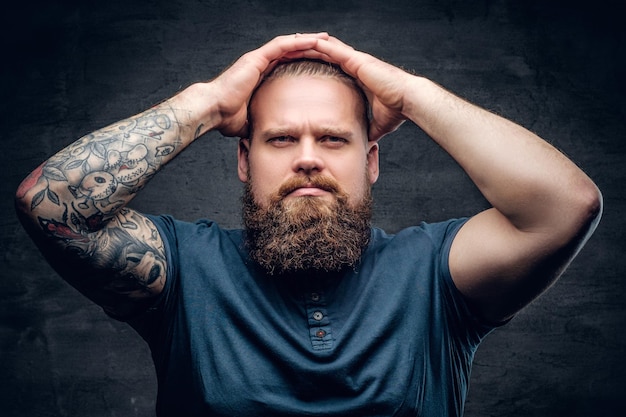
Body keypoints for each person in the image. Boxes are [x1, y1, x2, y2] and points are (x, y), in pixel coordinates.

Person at [15, 33, 602, 416]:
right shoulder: (183, 269)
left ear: (370, 161)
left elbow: (566, 204)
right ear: (244, 160)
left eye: (333, 138)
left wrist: (415, 95)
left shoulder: (436, 272)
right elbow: (49, 202)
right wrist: (212, 102)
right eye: (279, 139)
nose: (307, 157)